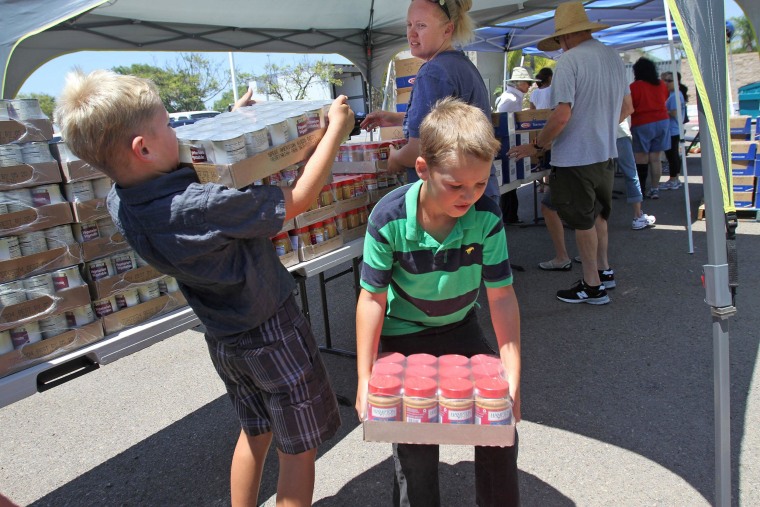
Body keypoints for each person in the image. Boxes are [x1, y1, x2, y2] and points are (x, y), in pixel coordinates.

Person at [54, 69, 355, 507]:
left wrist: (231, 125)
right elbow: (298, 200)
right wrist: (336, 132)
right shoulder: (202, 206)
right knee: (299, 447)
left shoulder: (122, 202)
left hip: (224, 337)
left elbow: (172, 163)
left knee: (256, 432)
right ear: (143, 148)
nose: (177, 131)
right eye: (168, 125)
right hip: (272, 331)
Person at [355, 97, 521, 507]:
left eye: (480, 183)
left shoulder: (486, 215)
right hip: (404, 331)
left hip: (462, 326)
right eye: (456, 185)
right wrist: (364, 377)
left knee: (500, 432)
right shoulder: (388, 217)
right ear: (423, 169)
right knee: (415, 446)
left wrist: (514, 374)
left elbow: (501, 296)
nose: (470, 196)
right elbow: (372, 298)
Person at [508, 1, 632, 305]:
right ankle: (604, 271)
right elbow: (628, 108)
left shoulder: (570, 62)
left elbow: (561, 115)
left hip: (576, 158)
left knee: (583, 222)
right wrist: (598, 126)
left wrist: (538, 147)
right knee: (599, 216)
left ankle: (592, 285)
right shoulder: (612, 56)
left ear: (564, 37)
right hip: (606, 152)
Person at [360, 0, 500, 202]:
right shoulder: (462, 65)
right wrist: (396, 119)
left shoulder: (433, 72)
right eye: (409, 25)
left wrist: (395, 158)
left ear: (447, 30)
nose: (412, 33)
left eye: (421, 25)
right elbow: (450, 123)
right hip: (478, 194)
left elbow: (420, 149)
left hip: (451, 199)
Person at [495, 66, 538, 224]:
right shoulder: (510, 99)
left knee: (511, 183)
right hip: (508, 143)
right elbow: (503, 123)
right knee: (509, 182)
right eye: (527, 82)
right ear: (519, 83)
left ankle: (510, 215)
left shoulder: (512, 97)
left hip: (511, 143)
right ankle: (509, 216)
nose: (528, 85)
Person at [630, 57, 670, 200]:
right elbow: (665, 98)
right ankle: (655, 189)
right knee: (655, 158)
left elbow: (631, 105)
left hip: (642, 122)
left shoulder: (634, 87)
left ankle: (641, 189)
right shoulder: (661, 85)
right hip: (662, 121)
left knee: (641, 157)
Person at [660, 71, 688, 190]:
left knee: (672, 156)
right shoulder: (673, 94)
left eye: (669, 81)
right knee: (673, 156)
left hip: (673, 129)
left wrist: (661, 111)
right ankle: (675, 178)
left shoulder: (675, 95)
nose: (666, 83)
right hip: (673, 129)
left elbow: (674, 112)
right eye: (664, 80)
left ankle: (673, 179)